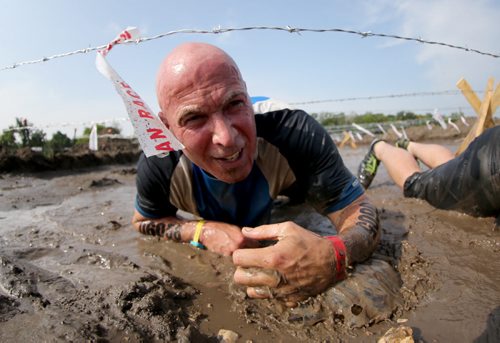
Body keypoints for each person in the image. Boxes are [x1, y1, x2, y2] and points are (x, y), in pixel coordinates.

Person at [132, 42, 380, 306]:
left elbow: (356, 207)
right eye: (194, 118)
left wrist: (335, 254)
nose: (226, 138)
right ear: (167, 127)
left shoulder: (293, 130)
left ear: (247, 97)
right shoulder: (159, 162)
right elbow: (142, 221)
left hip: (290, 189)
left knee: (310, 201)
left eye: (235, 104)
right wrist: (200, 231)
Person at [357, 126, 500, 219]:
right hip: (491, 166)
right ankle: (380, 148)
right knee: (414, 183)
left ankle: (409, 146)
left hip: (492, 149)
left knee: (450, 168)